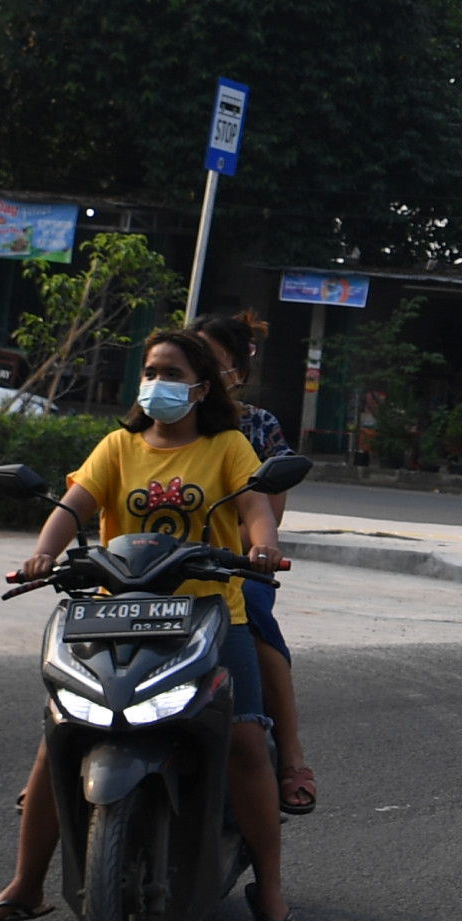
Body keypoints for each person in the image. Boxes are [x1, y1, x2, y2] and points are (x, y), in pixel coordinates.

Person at [0, 328, 297, 921]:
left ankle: (273, 892)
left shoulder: (227, 446)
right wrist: (42, 555)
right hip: (115, 613)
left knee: (249, 742)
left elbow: (255, 506)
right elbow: (72, 506)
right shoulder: (118, 447)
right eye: (150, 371)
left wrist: (263, 544)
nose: (157, 384)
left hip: (208, 613)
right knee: (58, 737)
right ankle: (26, 884)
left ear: (200, 386)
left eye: (171, 373)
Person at [192, 311, 314, 818]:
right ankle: (63, 760)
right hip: (158, 571)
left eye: (209, 363)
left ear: (237, 373)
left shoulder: (257, 427)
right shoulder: (160, 428)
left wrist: (241, 549)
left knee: (259, 631)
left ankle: (290, 757)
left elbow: (267, 513)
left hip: (232, 566)